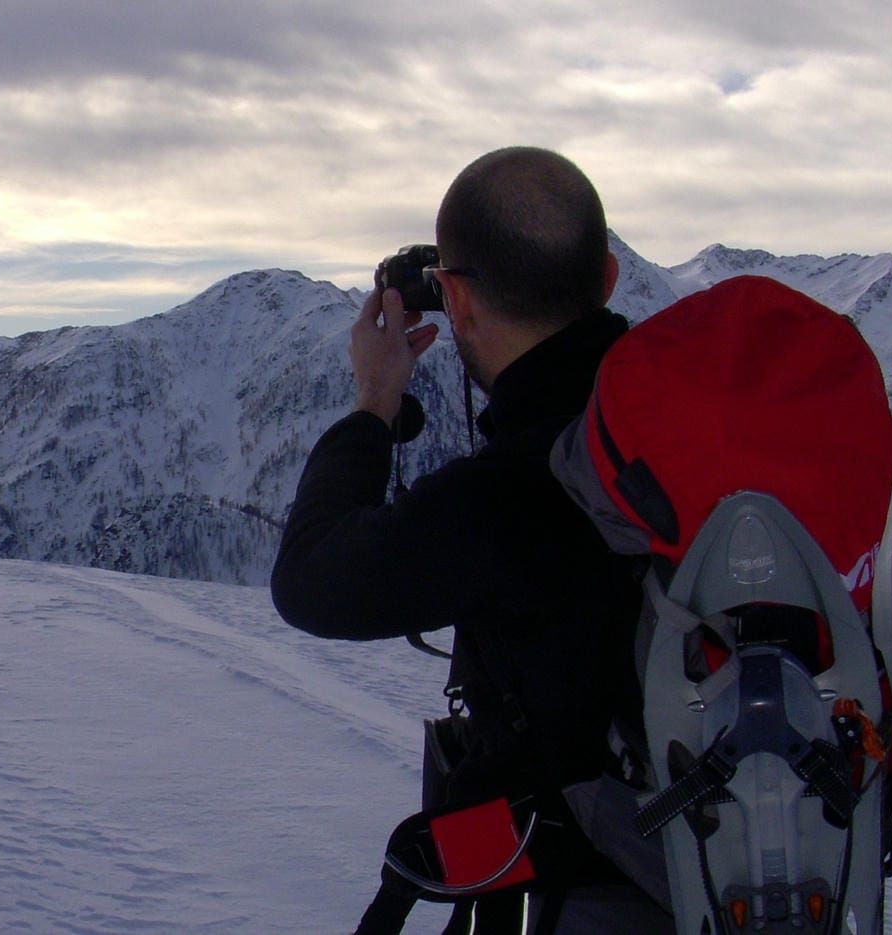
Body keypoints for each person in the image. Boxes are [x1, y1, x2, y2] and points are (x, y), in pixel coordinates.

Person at [270, 147, 671, 934]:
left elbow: (311, 579)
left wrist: (374, 403)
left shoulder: (513, 493)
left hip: (592, 890)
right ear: (611, 280)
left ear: (454, 299)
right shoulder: (690, 436)